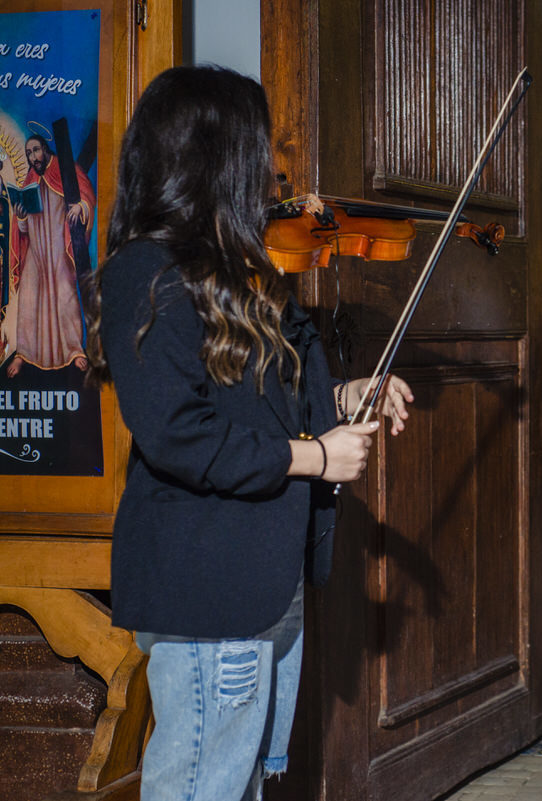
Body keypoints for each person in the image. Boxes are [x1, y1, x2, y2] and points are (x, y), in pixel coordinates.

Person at [85, 66, 414, 801]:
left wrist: (341, 394)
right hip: (210, 583)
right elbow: (178, 433)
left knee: (242, 779)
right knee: (202, 781)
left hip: (263, 576)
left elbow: (258, 396)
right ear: (216, 155)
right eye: (260, 149)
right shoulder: (143, 271)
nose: (273, 169)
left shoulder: (236, 270)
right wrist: (316, 455)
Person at [7, 133, 96, 375]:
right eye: (28, 153)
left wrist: (81, 206)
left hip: (58, 250)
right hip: (36, 252)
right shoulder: (30, 180)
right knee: (28, 301)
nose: (32, 156)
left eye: (35, 150)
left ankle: (74, 350)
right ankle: (23, 354)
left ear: (46, 150)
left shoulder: (65, 170)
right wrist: (21, 215)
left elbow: (86, 193)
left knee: (65, 298)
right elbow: (23, 229)